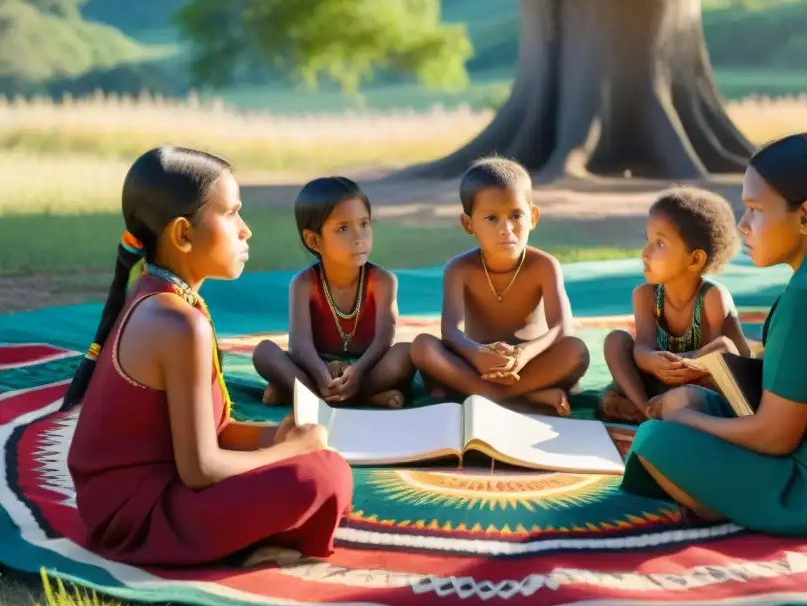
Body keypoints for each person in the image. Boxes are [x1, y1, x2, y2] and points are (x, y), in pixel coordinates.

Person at [621, 133, 807, 538]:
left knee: (656, 439)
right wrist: (691, 409)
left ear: (805, 217)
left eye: (754, 210)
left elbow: (774, 437)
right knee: (683, 399)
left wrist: (690, 421)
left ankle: (722, 505)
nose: (743, 226)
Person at [62, 147, 352, 566]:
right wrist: (291, 452)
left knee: (325, 464)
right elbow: (200, 467)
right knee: (320, 477)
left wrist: (278, 438)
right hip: (138, 519)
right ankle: (241, 544)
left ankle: (254, 535)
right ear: (183, 234)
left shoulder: (167, 297)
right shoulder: (177, 322)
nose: (246, 229)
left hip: (152, 490)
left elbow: (213, 431)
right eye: (232, 213)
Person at [409, 156, 589, 416]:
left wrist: (524, 354)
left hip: (530, 364)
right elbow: (450, 331)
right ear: (468, 224)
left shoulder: (544, 266)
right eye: (491, 218)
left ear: (533, 217)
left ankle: (490, 395)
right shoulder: (459, 269)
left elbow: (562, 327)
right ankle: (523, 397)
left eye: (516, 215)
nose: (506, 229)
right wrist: (477, 355)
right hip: (476, 364)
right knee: (422, 346)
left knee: (576, 351)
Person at [253, 177, 414, 409]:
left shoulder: (383, 281)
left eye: (365, 224)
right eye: (343, 228)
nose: (359, 237)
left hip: (367, 367)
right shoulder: (304, 284)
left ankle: (303, 394)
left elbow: (383, 341)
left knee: (406, 353)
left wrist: (357, 372)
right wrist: (321, 374)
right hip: (317, 366)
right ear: (314, 240)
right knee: (264, 352)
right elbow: (300, 346)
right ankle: (360, 396)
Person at [600, 187, 750, 424]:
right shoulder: (645, 296)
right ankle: (645, 409)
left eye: (659, 244)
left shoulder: (712, 297)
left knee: (723, 348)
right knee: (615, 341)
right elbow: (642, 347)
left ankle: (664, 405)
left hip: (701, 378)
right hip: (661, 379)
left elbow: (718, 359)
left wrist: (683, 364)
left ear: (694, 259)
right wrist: (652, 361)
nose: (645, 253)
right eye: (647, 240)